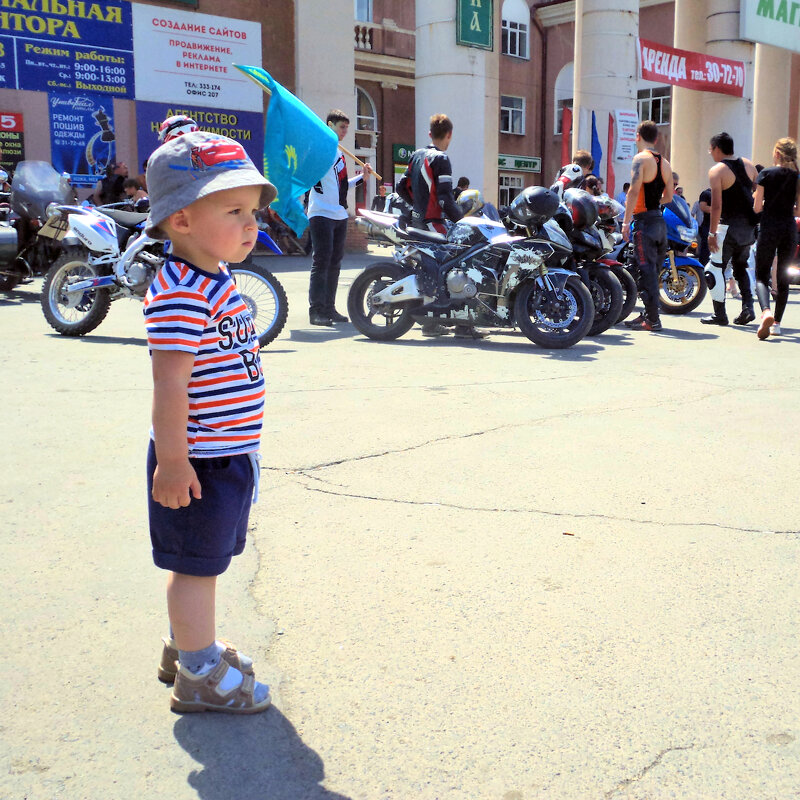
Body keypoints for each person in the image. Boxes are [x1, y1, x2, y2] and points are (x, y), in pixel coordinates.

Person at [142, 131, 277, 714]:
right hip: (198, 459)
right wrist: (174, 463)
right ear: (180, 221)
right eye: (234, 211)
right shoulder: (180, 293)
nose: (252, 224)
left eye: (252, 211)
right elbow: (170, 383)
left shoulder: (215, 276)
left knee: (204, 559)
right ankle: (197, 675)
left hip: (227, 453)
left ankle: (188, 642)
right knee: (195, 564)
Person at [397, 113, 465, 337]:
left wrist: (416, 205)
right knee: (456, 262)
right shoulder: (441, 159)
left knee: (429, 267)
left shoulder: (417, 156)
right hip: (433, 222)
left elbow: (400, 186)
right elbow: (445, 198)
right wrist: (464, 222)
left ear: (429, 134)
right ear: (449, 134)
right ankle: (438, 322)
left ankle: (432, 323)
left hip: (418, 220)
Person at [307, 109, 373, 326]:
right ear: (329, 125)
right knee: (321, 261)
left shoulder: (338, 153)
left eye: (346, 127)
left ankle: (329, 307)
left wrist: (362, 177)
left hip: (339, 215)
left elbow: (340, 185)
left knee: (335, 263)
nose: (345, 131)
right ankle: (316, 310)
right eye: (342, 127)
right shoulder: (320, 151)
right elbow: (308, 177)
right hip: (321, 214)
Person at [701, 131, 759, 326]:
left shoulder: (717, 170)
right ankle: (748, 307)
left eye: (711, 149)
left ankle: (719, 314)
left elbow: (716, 206)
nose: (710, 153)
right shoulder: (749, 165)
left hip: (727, 228)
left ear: (717, 148)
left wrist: (711, 233)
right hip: (748, 228)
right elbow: (759, 193)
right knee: (741, 267)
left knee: (714, 269)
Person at [621, 120, 673, 332]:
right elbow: (668, 197)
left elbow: (633, 191)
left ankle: (652, 320)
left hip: (644, 223)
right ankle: (648, 315)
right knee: (653, 271)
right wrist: (653, 204)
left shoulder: (640, 159)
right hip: (660, 223)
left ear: (637, 136)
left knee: (645, 272)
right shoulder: (666, 163)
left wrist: (626, 221)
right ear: (657, 138)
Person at [752, 137, 800, 339]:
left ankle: (766, 312)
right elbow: (798, 208)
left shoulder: (765, 174)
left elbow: (756, 207)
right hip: (789, 228)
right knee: (783, 278)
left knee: (762, 275)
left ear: (777, 153)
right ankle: (777, 324)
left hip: (769, 226)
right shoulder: (797, 176)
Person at [695, 187, 712, 266]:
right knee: (705, 249)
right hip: (707, 225)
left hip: (720, 225)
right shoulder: (706, 193)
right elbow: (703, 207)